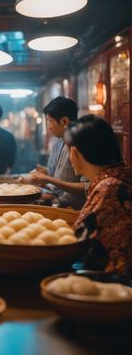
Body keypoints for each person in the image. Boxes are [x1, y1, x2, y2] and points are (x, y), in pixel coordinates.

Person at [64, 115, 132, 276]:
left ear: (75, 152)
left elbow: (76, 243)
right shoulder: (116, 179)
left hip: (114, 288)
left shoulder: (108, 189)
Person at [28, 96, 86, 209]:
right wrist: (46, 176)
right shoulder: (62, 142)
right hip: (59, 203)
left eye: (50, 121)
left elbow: (87, 187)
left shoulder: (80, 144)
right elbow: (59, 185)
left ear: (64, 121)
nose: (49, 127)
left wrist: (49, 179)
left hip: (74, 210)